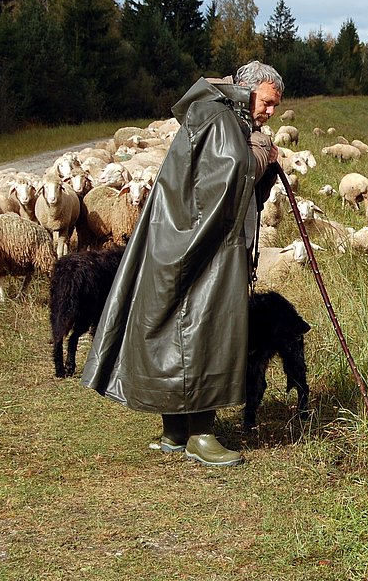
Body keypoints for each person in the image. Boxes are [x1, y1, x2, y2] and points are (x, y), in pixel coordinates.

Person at [80, 61, 284, 466]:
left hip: (183, 242)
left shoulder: (214, 114)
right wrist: (263, 151)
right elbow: (230, 174)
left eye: (275, 105)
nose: (270, 112)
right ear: (247, 92)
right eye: (267, 102)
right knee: (203, 332)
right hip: (204, 250)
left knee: (178, 330)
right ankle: (200, 435)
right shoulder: (222, 119)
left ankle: (175, 430)